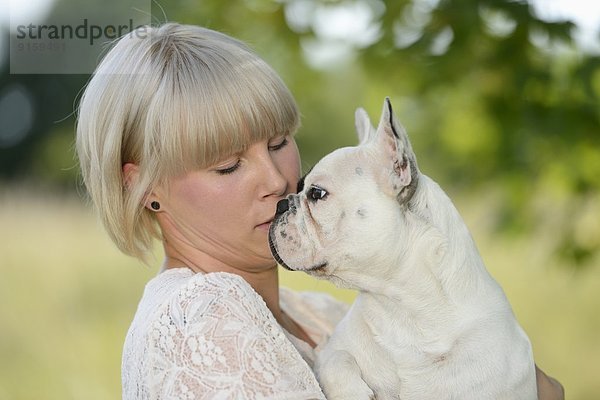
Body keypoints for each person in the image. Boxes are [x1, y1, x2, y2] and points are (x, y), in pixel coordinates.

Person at [75, 22, 564, 399]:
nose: (278, 180)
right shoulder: (199, 319)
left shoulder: (315, 312)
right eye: (227, 166)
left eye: (279, 142)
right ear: (142, 186)